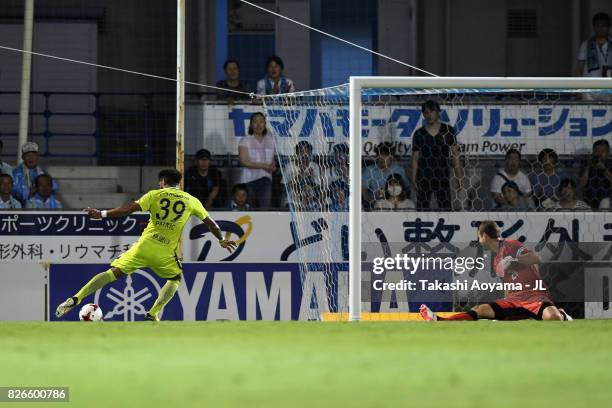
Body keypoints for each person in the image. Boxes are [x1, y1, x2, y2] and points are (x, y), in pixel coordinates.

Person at [55, 169, 237, 321]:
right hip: (165, 252)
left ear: (163, 182)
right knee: (175, 279)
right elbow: (212, 224)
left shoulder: (154, 195)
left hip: (143, 247)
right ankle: (153, 313)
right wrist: (221, 239)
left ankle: (76, 298)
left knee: (112, 273)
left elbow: (127, 210)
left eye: (160, 183)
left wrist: (101, 214)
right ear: (177, 183)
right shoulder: (191, 200)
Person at [420, 220, 571, 322]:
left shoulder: (511, 245)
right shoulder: (495, 260)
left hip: (535, 296)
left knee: (553, 318)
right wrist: (504, 303)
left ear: (484, 236)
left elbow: (535, 258)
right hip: (514, 300)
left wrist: (514, 261)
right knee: (481, 309)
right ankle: (440, 320)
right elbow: (507, 285)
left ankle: (562, 314)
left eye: (478, 236)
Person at [411, 100, 463, 211]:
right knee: (422, 209)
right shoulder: (419, 133)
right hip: (424, 176)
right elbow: (415, 158)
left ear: (438, 112)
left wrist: (459, 177)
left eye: (432, 111)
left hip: (442, 176)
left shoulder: (448, 130)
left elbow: (455, 155)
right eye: (426, 113)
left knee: (446, 209)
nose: (429, 115)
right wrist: (413, 178)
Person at [238, 112, 276, 209]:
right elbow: (243, 161)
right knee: (251, 210)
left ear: (265, 124)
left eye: (261, 122)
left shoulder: (271, 140)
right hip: (249, 180)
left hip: (266, 179)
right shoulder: (245, 140)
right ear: (251, 124)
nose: (258, 125)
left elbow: (273, 159)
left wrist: (273, 165)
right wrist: (264, 166)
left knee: (265, 209)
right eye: (255, 122)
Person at [362, 142, 407, 209]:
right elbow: (363, 191)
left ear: (391, 156)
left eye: (386, 155)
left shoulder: (399, 170)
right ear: (377, 156)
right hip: (375, 206)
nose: (383, 158)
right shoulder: (369, 170)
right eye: (380, 154)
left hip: (396, 206)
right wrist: (372, 202)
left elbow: (406, 190)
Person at [282, 141, 322, 207]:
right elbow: (284, 188)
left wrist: (312, 177)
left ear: (310, 153)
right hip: (293, 201)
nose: (304, 154)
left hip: (310, 201)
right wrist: (301, 174)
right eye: (301, 152)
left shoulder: (315, 166)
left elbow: (318, 188)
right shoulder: (289, 166)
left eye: (307, 152)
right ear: (297, 153)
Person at [576, 12, 612, 78]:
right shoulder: (586, 45)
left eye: (604, 25)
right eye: (598, 25)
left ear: (608, 27)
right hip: (590, 84)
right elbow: (579, 69)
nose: (601, 28)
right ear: (594, 27)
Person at [580, 139, 612, 208]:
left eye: (603, 151)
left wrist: (604, 169)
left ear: (608, 153)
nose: (599, 154)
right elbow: (582, 184)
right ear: (593, 152)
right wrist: (588, 167)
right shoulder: (586, 164)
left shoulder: (610, 165)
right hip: (588, 203)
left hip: (608, 203)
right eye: (597, 151)